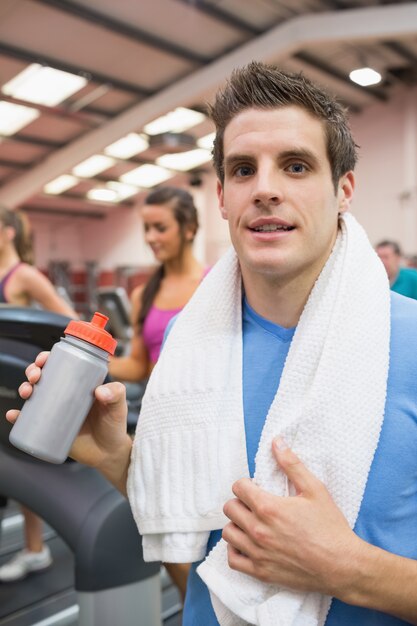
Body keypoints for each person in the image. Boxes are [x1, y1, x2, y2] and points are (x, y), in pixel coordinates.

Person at [7, 62, 417, 626]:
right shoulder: (190, 338)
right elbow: (189, 507)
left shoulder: (410, 342)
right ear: (222, 196)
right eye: (244, 170)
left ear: (343, 188)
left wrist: (347, 568)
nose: (266, 189)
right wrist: (115, 458)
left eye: (296, 166)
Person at [108, 186, 207, 600]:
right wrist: (87, 358)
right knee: (165, 540)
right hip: (159, 427)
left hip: (205, 425)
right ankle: (195, 609)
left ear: (188, 229)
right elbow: (138, 365)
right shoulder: (141, 294)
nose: (151, 237)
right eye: (146, 228)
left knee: (209, 543)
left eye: (160, 227)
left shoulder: (215, 283)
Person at [0, 206, 77, 583]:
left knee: (21, 469)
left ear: (8, 232)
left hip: (14, 387)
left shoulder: (24, 275)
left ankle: (35, 548)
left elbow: (68, 320)